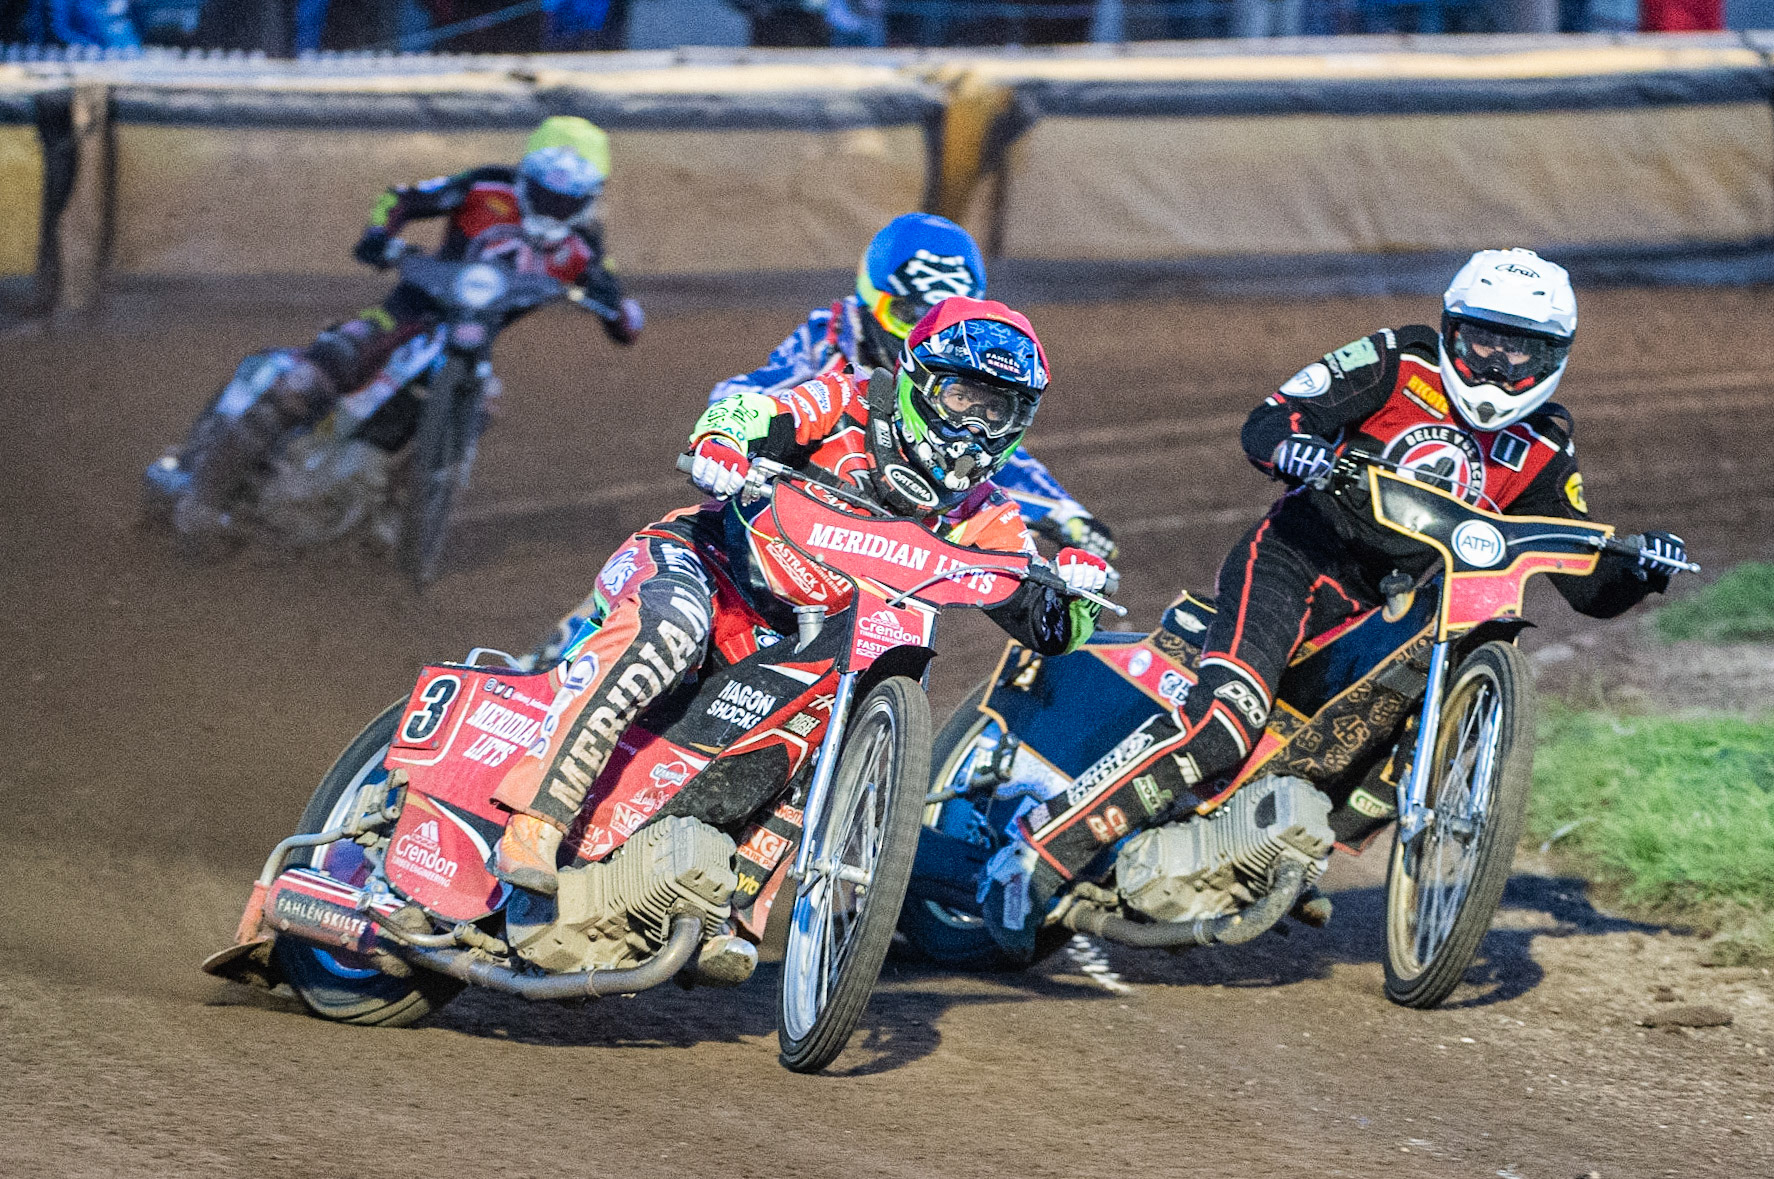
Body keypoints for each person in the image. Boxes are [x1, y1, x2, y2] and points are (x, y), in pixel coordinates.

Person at [979, 247, 1690, 959]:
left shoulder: (1543, 444)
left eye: (1522, 351)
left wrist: (1641, 568)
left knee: (1380, 768)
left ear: (1554, 356)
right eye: (1484, 341)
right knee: (1224, 724)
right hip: (1297, 563)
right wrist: (1300, 451)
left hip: (1390, 613)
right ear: (1451, 329)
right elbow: (1273, 418)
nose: (1500, 366)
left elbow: (1585, 582)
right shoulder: (1398, 360)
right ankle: (1036, 851)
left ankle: (1254, 852)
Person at [491, 297, 1112, 893]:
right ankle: (536, 823)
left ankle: (735, 897)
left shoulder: (984, 513)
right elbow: (751, 412)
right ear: (920, 380)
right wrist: (721, 446)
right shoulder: (849, 398)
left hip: (801, 645)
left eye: (997, 412)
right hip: (707, 565)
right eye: (962, 398)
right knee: (667, 627)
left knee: (848, 699)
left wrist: (1077, 588)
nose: (975, 426)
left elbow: (1050, 626)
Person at [173, 116, 645, 549]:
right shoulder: (484, 187)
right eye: (546, 190)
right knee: (309, 378)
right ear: (526, 176)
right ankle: (202, 502)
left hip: (470, 345)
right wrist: (380, 235)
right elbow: (402, 197)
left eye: (570, 196)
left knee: (482, 405)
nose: (555, 204)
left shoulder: (586, 246)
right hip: (406, 313)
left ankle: (396, 525)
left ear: (590, 196)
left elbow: (612, 297)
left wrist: (620, 314)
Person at [709, 212, 1118, 562]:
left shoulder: (950, 370)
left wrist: (1065, 512)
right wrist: (743, 441)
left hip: (886, 533)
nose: (920, 336)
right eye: (908, 314)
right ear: (871, 300)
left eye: (942, 322)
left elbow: (988, 442)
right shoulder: (831, 337)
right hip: (792, 512)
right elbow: (738, 394)